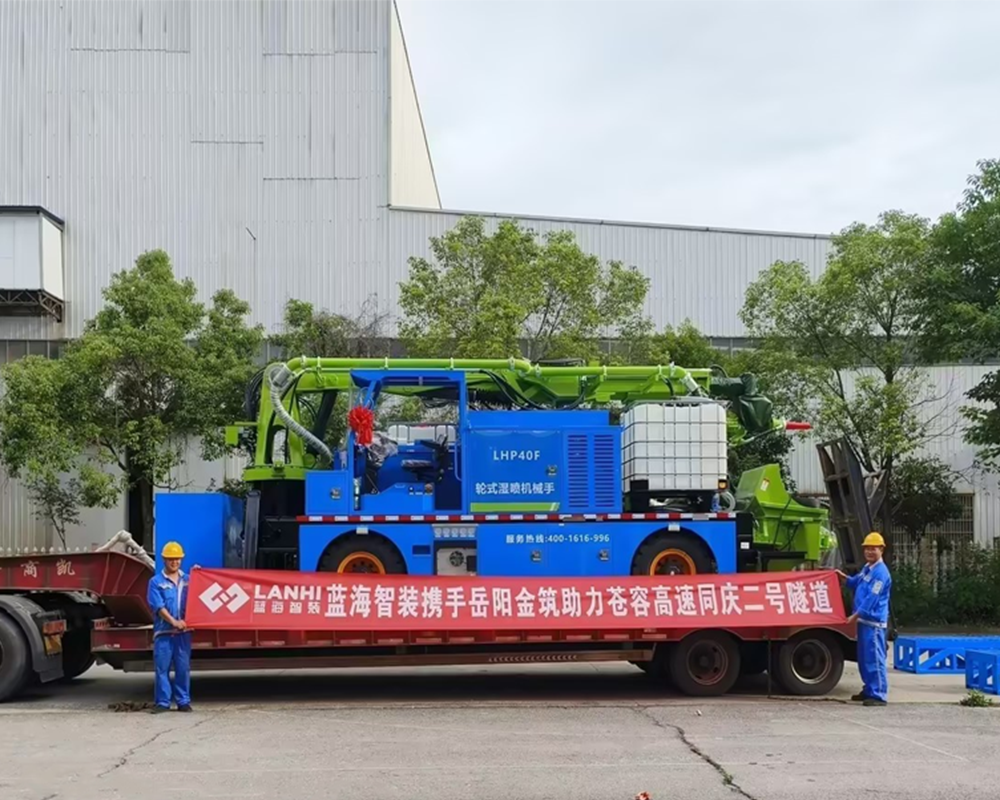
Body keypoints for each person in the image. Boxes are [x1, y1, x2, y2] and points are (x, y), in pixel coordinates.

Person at [836, 532, 892, 707]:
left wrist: (856, 615)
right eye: (867, 548)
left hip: (873, 623)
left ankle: (878, 694)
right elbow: (856, 582)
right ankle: (869, 689)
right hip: (864, 622)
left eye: (873, 549)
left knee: (874, 658)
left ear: (881, 549)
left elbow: (872, 598)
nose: (869, 552)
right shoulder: (868, 568)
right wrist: (844, 579)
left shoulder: (881, 573)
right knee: (865, 658)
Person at [146, 541, 193, 713]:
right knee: (162, 669)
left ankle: (183, 701)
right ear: (164, 560)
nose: (174, 562)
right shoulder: (155, 582)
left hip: (183, 633)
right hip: (164, 633)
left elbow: (200, 596)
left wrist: (200, 574)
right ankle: (163, 703)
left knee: (183, 668)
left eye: (177, 559)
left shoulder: (188, 580)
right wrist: (174, 622)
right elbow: (158, 607)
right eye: (171, 559)